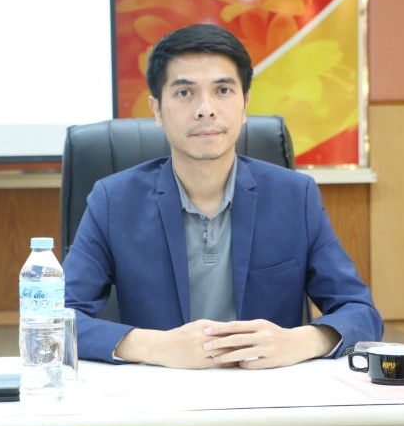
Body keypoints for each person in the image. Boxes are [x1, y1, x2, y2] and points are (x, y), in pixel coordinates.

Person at [63, 23, 383, 369]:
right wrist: (156, 346)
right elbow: (55, 319)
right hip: (157, 389)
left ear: (245, 105)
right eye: (184, 93)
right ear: (156, 110)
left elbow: (360, 312)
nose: (205, 108)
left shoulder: (295, 196)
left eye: (223, 90)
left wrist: (299, 340)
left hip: (268, 391)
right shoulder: (114, 201)